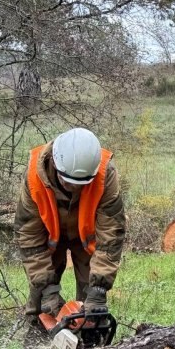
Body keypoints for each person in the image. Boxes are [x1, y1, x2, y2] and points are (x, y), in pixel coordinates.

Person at [15, 127, 125, 318]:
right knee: (42, 303)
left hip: (87, 240)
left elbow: (111, 233)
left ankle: (91, 344)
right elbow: (28, 235)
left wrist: (99, 289)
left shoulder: (106, 175)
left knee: (90, 308)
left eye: (81, 185)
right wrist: (47, 289)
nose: (74, 189)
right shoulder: (34, 177)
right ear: (56, 164)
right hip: (48, 240)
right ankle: (35, 342)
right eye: (68, 182)